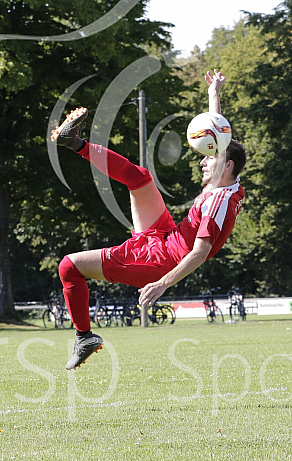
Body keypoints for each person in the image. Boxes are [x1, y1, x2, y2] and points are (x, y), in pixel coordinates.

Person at [51, 70, 246, 370]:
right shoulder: (225, 181)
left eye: (210, 158)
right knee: (139, 178)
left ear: (227, 165)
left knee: (69, 266)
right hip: (167, 234)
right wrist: (213, 93)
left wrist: (162, 284)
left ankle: (84, 337)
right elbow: (217, 133)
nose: (203, 160)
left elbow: (200, 252)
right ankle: (76, 143)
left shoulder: (219, 201)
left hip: (161, 260)